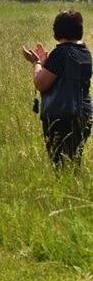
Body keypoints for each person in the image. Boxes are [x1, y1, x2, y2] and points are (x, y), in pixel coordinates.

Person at [23, 10, 93, 166]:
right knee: (74, 162)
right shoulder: (85, 53)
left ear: (57, 31)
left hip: (62, 116)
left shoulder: (61, 53)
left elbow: (41, 83)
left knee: (60, 166)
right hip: (84, 114)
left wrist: (36, 63)